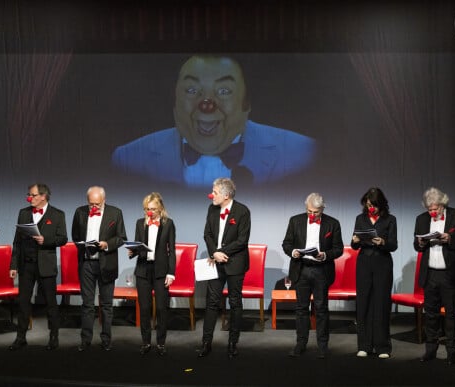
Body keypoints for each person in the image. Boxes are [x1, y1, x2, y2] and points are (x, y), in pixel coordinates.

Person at [111, 55, 315, 188]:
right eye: (192, 90)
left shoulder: (302, 153)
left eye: (224, 91)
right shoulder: (129, 159)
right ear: (174, 103)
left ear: (247, 104)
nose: (206, 104)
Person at [414, 187, 455, 366]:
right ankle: (430, 351)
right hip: (430, 273)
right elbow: (417, 246)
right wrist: (420, 243)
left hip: (450, 273)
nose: (432, 212)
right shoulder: (422, 219)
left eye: (436, 208)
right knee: (430, 314)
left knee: (451, 315)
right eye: (429, 209)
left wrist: (450, 239)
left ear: (443, 204)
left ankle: (451, 355)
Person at [281, 192, 344, 359]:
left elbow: (338, 249)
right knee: (301, 309)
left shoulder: (333, 223)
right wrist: (293, 251)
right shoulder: (295, 221)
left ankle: (323, 346)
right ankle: (300, 344)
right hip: (301, 268)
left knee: (321, 309)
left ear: (323, 209)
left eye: (316, 212)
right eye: (309, 211)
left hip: (321, 270)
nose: (312, 214)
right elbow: (286, 243)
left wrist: (325, 255)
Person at [8, 183, 68, 351]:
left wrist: (46, 241)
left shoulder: (57, 214)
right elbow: (17, 241)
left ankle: (54, 337)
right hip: (26, 264)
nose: (30, 198)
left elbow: (63, 238)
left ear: (43, 196)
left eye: (33, 195)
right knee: (23, 302)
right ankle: (21, 337)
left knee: (50, 302)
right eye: (29, 194)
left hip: (46, 265)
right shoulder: (24, 213)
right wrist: (13, 265)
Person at [198, 177, 250, 358]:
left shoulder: (242, 211)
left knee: (235, 302)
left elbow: (242, 241)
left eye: (215, 192)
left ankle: (232, 343)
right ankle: (206, 343)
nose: (211, 195)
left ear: (226, 195)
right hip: (216, 262)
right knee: (212, 303)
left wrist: (222, 252)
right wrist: (214, 253)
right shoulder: (212, 209)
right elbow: (207, 234)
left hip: (235, 263)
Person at [71, 186, 127, 352]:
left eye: (97, 204)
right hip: (86, 263)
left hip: (106, 263)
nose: (93, 207)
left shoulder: (115, 213)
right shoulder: (80, 212)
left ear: (104, 200)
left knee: (107, 304)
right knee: (87, 304)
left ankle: (106, 340)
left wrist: (106, 244)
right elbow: (75, 236)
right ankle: (85, 340)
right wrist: (82, 245)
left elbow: (122, 238)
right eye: (91, 204)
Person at [126, 192, 176, 356]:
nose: (150, 212)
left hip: (161, 270)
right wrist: (132, 252)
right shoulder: (140, 223)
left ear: (160, 208)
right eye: (147, 209)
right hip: (143, 269)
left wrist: (171, 273)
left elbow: (172, 251)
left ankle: (161, 343)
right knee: (145, 308)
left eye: (153, 209)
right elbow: (138, 246)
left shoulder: (168, 224)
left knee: (161, 308)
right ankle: (146, 342)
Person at [351, 187, 397, 359]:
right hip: (364, 262)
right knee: (363, 303)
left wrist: (382, 241)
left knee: (381, 303)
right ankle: (364, 345)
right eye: (368, 205)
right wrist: (355, 241)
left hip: (382, 263)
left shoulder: (390, 220)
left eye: (374, 205)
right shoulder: (360, 219)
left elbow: (393, 245)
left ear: (381, 204)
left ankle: (383, 347)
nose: (371, 208)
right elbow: (355, 244)